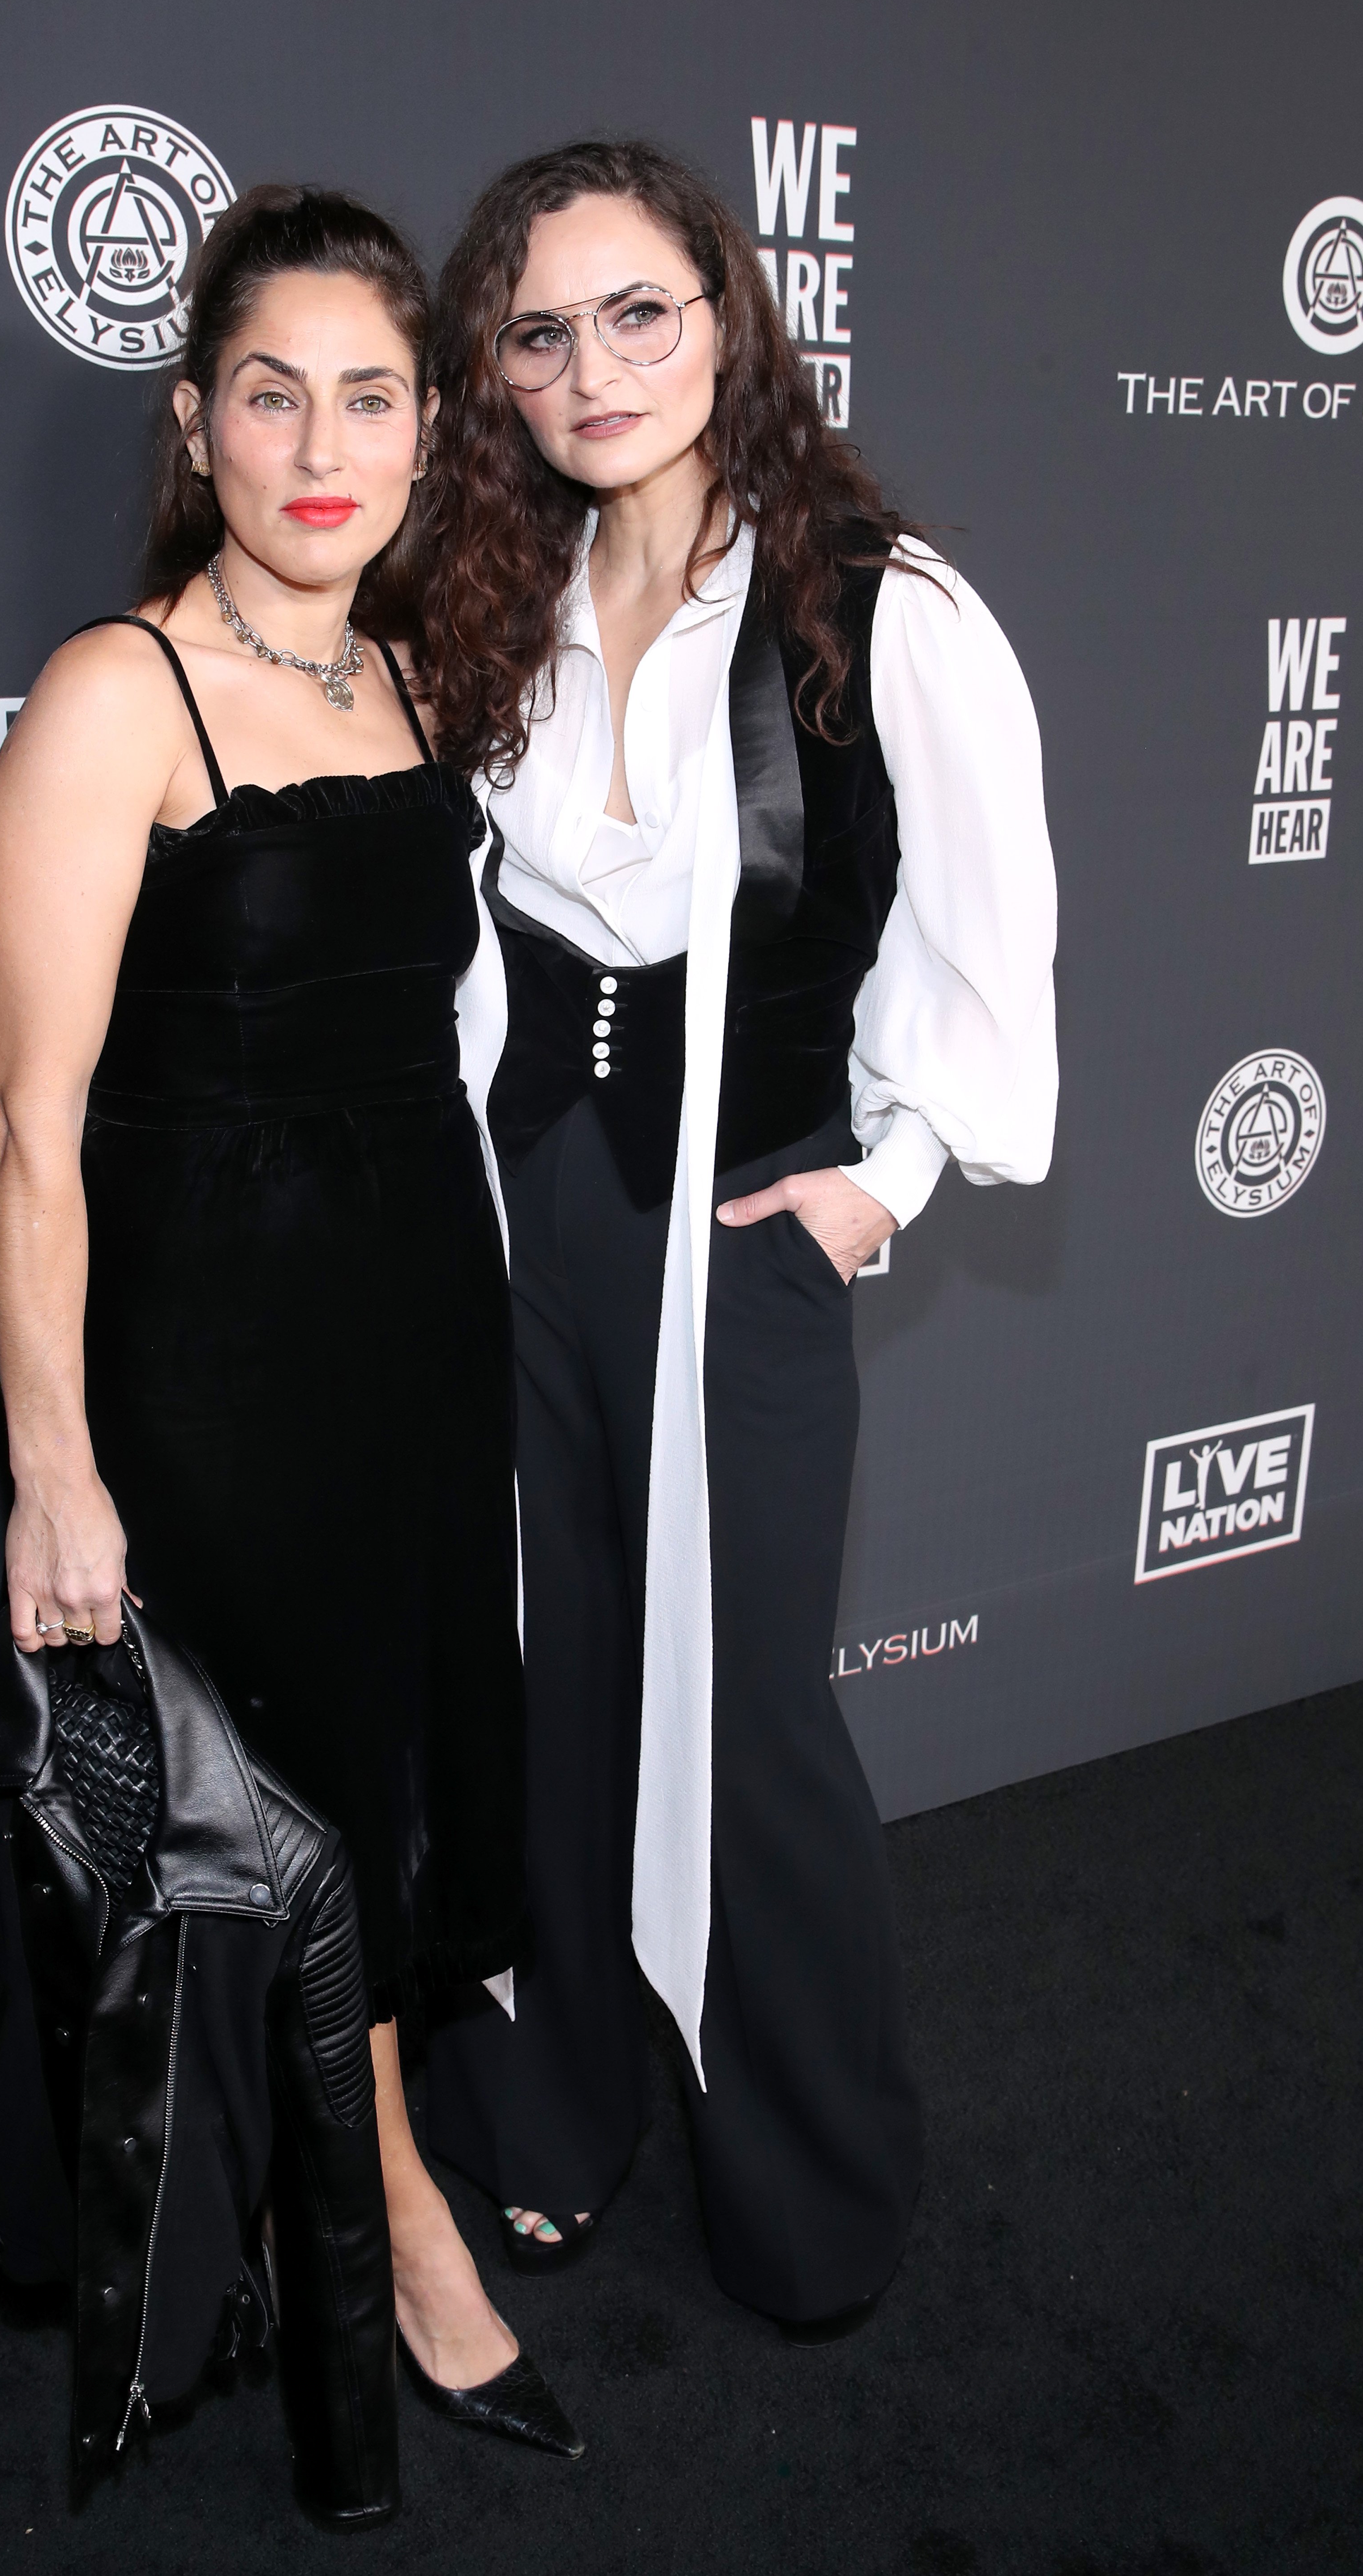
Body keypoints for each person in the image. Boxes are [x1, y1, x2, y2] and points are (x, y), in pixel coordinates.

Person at [421, 141, 1057, 2333]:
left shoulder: (879, 604)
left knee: (752, 1719)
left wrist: (880, 1188)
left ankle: (809, 2182)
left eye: (636, 314)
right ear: (492, 376)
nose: (591, 368)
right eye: (537, 332)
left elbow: (984, 948)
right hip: (525, 1228)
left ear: (727, 321)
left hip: (735, 1236)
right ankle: (565, 2109)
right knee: (551, 1681)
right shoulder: (486, 600)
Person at [0, 185, 577, 2453]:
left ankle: (321, 2187)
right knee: (302, 1793)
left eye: (370, 396)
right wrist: (55, 1466)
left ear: (428, 429)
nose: (321, 445)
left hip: (420, 1316)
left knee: (410, 1764)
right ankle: (395, 2238)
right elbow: (30, 1129)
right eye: (269, 392)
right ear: (192, 419)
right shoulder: (116, 696)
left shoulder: (414, 660)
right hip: (220, 1352)